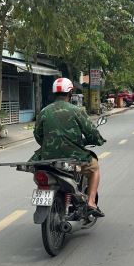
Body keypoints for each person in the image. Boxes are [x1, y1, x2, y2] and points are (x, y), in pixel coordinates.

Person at [33, 78, 106, 217]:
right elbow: (91, 132)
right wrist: (97, 140)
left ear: (54, 93)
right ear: (70, 93)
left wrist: (49, 145)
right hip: (74, 156)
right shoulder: (76, 110)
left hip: (48, 158)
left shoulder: (44, 111)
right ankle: (91, 202)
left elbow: (38, 135)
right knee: (95, 167)